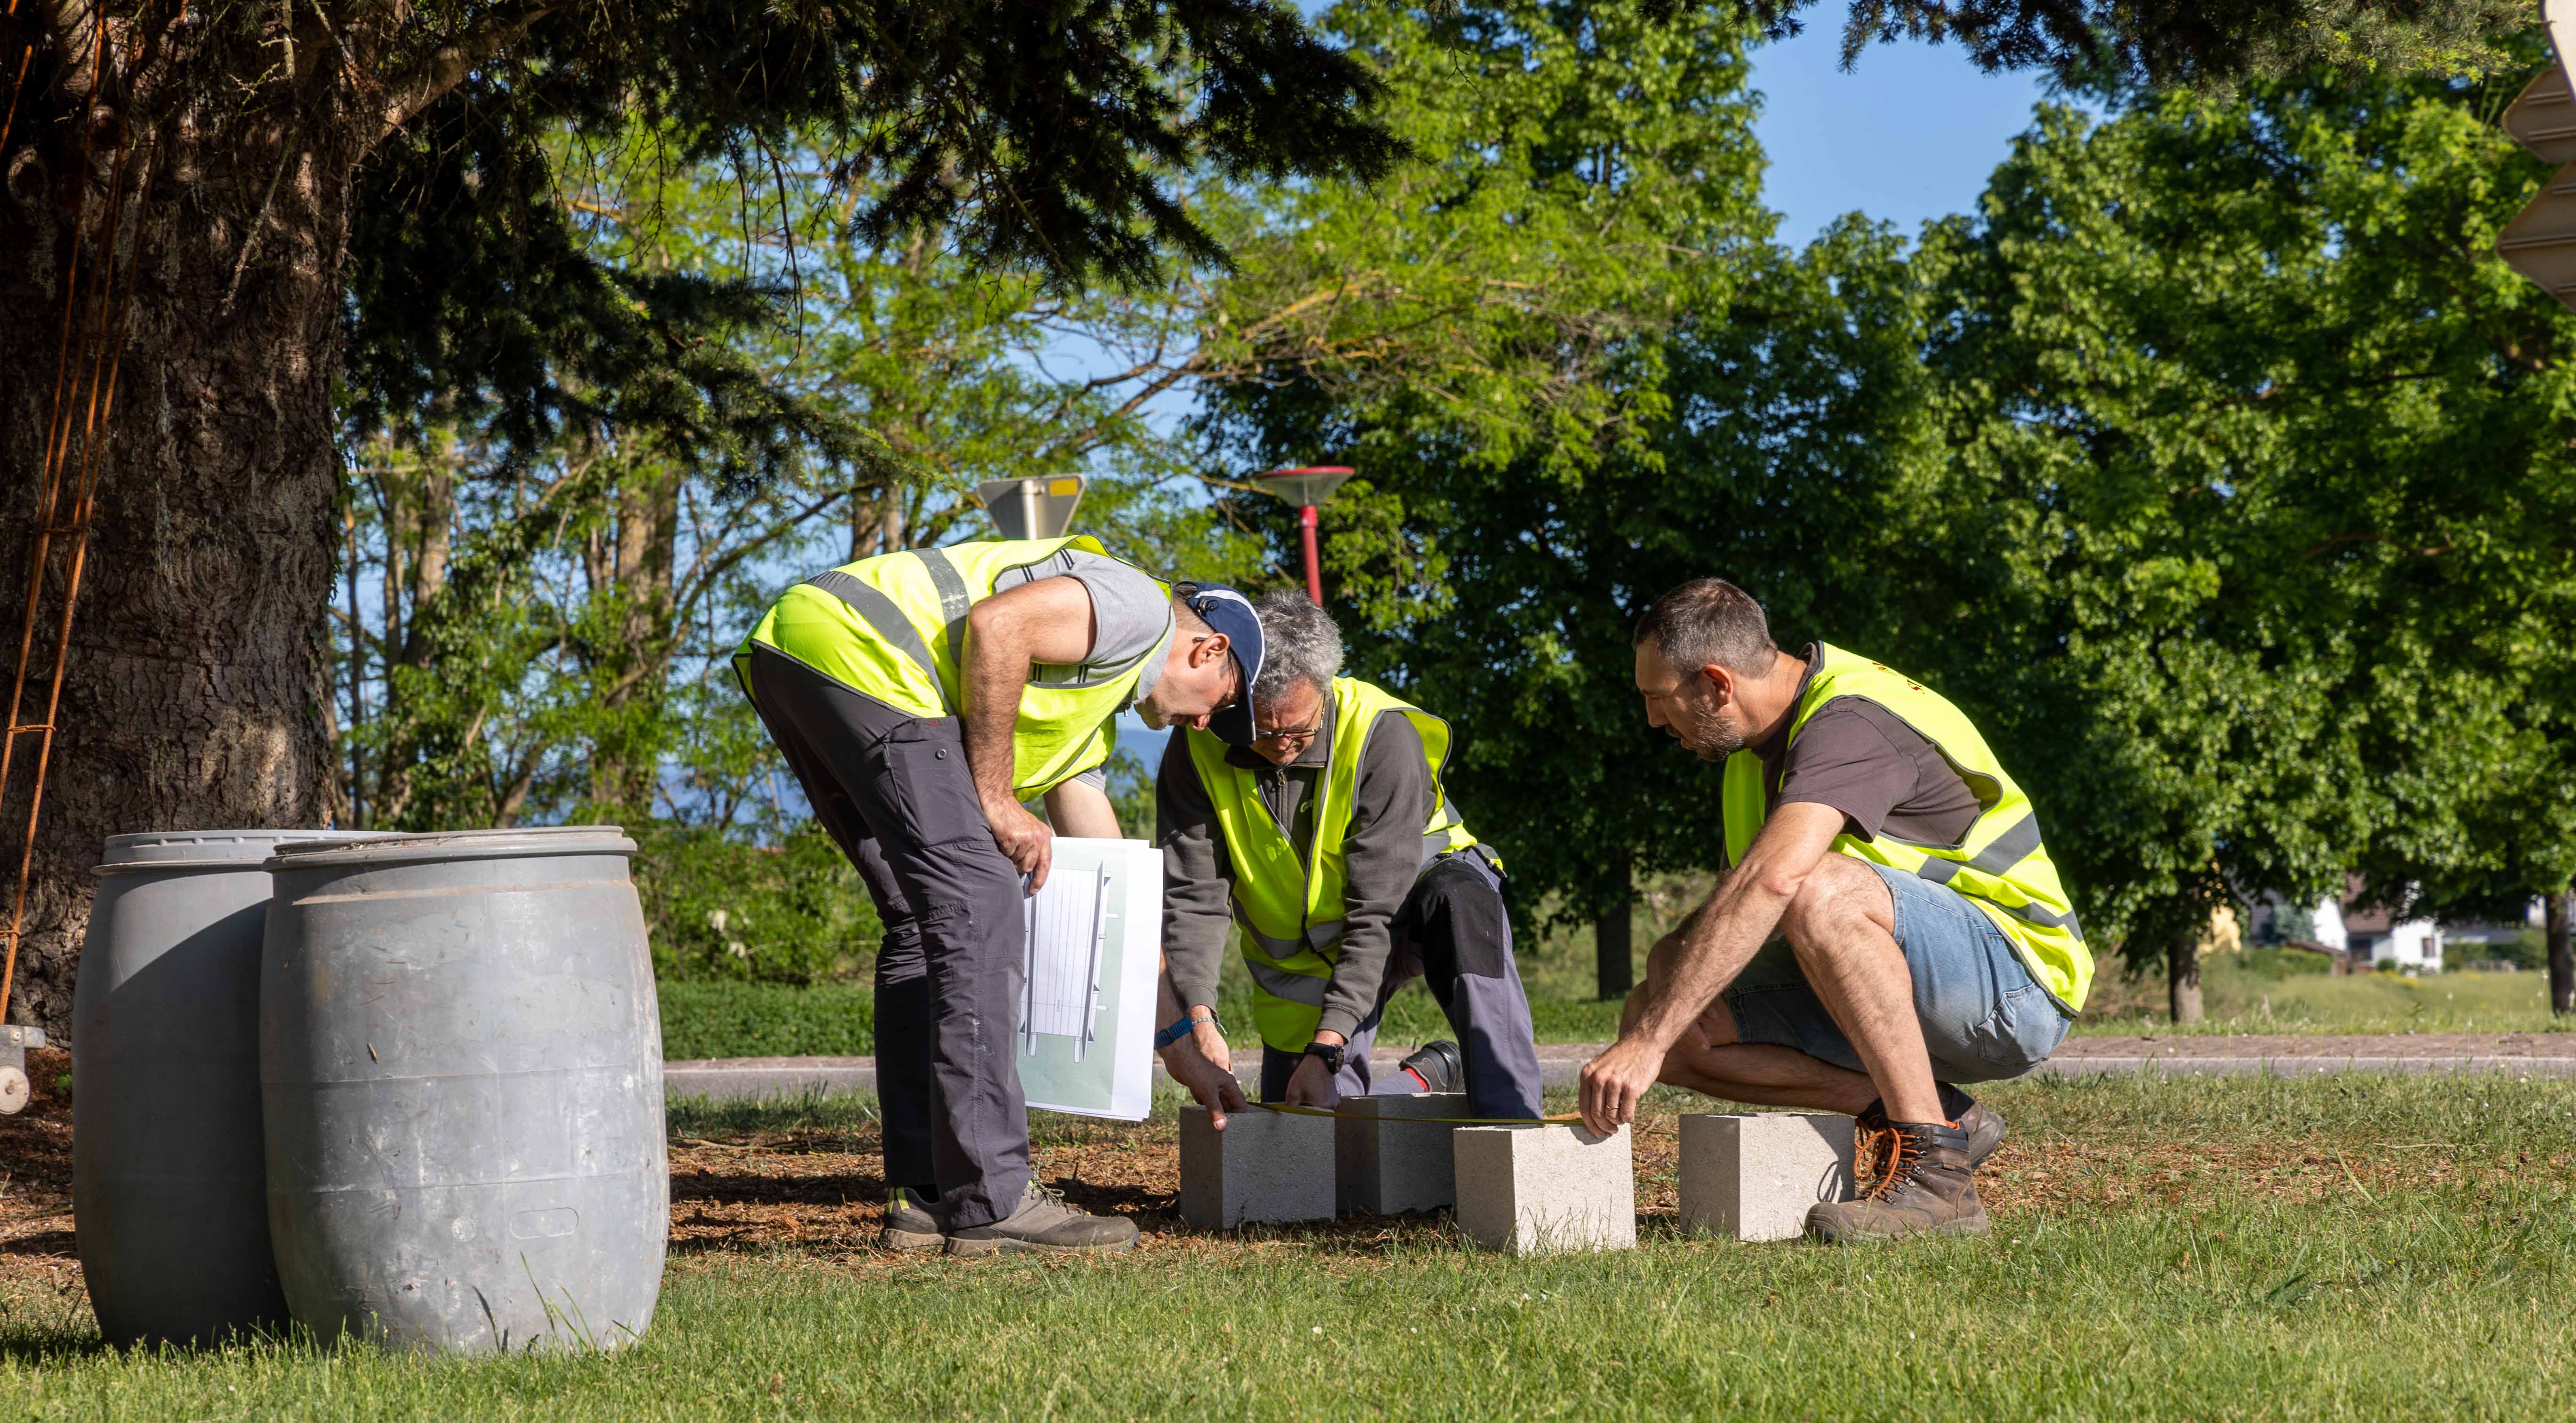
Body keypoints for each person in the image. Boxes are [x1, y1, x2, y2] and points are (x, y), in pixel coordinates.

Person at [733, 534, 1265, 1255]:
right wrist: (995, 798)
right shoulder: (1141, 608)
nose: (1205, 725)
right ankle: (994, 1197)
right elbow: (998, 624)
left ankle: (927, 1197)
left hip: (799, 655)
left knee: (925, 924)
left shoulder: (1086, 719)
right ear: (1208, 651)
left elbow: (1118, 904)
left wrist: (1178, 1044)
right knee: (983, 901)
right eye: (1222, 706)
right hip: (869, 657)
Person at [1578, 578, 2093, 1241]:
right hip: (1909, 978)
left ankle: (1939, 1182)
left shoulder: (1849, 721)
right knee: (1666, 991)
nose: (1653, 720)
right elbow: (1737, 912)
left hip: (2014, 984)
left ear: (1716, 684)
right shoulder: (1751, 757)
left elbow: (1777, 881)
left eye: (1658, 698)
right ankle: (1945, 1119)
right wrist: (1654, 1029)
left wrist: (1644, 1048)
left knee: (1814, 888)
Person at [1154, 592, 1545, 1122]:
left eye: (1296, 729)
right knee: (1305, 1121)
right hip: (1314, 952)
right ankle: (1419, 1078)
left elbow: (1374, 915)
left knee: (1463, 902)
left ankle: (1513, 1121)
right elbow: (1192, 896)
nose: (1278, 745)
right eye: (1260, 729)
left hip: (1407, 907)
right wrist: (1198, 1018)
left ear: (1324, 689)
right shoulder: (1198, 744)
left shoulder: (1382, 736)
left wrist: (1328, 1045)